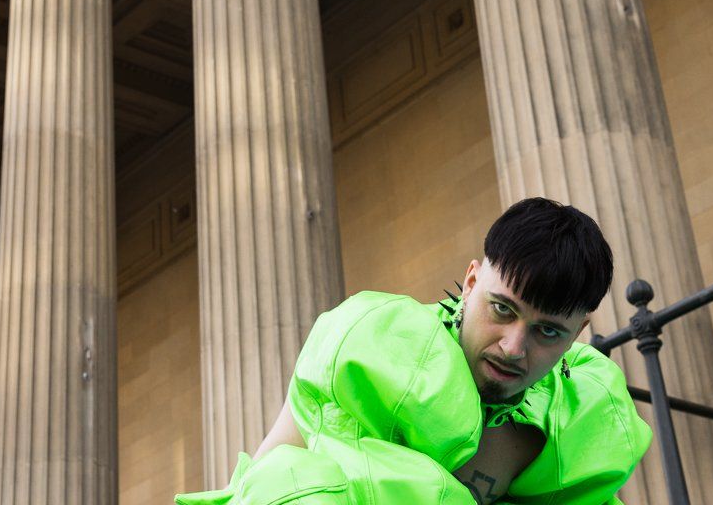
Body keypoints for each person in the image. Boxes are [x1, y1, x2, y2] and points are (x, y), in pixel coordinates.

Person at [176, 198, 652, 504]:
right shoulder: (373, 348)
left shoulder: (569, 423)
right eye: (502, 309)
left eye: (547, 333)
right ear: (470, 283)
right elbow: (270, 483)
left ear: (578, 334)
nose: (513, 347)